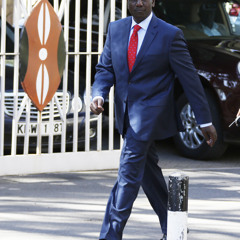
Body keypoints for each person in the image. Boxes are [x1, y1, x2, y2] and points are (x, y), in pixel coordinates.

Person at [90, 0, 217, 239]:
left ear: (153, 2)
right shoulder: (116, 29)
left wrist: (204, 120)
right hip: (126, 115)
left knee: (127, 175)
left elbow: (189, 79)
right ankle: (173, 227)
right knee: (146, 172)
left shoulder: (170, 35)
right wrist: (99, 93)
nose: (139, 2)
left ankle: (110, 235)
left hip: (149, 116)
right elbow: (105, 69)